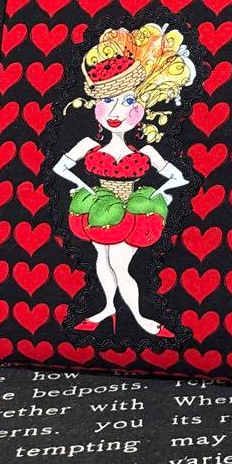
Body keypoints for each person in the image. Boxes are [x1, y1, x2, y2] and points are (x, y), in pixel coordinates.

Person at [53, 22, 195, 337]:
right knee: (101, 259)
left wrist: (159, 192)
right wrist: (83, 186)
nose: (116, 111)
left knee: (120, 265)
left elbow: (179, 177)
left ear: (141, 108)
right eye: (109, 101)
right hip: (98, 207)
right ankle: (107, 307)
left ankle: (142, 319)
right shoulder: (89, 145)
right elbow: (61, 167)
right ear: (96, 105)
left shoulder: (146, 151)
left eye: (128, 102)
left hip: (131, 211)